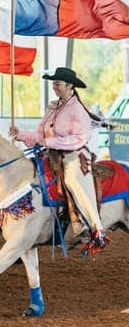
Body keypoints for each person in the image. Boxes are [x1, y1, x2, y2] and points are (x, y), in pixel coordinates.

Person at [9, 67, 108, 253]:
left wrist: (49, 141)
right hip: (51, 154)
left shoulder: (77, 109)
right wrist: (20, 134)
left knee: (73, 180)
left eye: (58, 84)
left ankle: (95, 228)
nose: (54, 87)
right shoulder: (53, 106)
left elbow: (80, 138)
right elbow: (39, 133)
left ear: (70, 86)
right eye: (53, 83)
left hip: (73, 156)